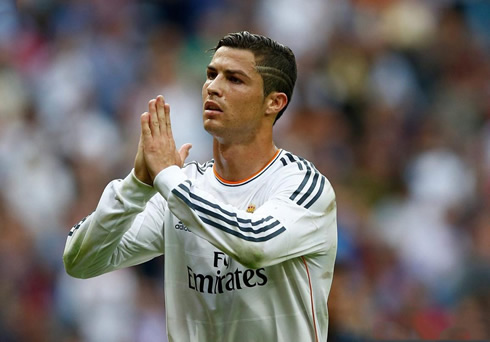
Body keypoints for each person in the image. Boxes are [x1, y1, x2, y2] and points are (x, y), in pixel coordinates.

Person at [63, 31, 337, 342]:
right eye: (211, 74)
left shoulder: (303, 185)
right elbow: (80, 261)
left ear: (274, 102)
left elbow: (255, 243)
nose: (214, 88)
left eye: (234, 79)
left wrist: (167, 177)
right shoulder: (184, 187)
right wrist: (136, 186)